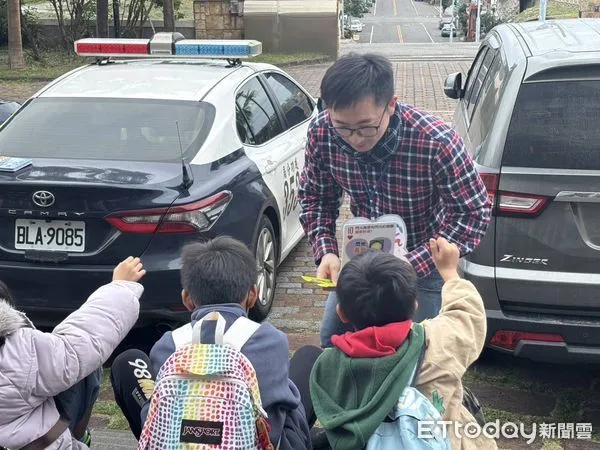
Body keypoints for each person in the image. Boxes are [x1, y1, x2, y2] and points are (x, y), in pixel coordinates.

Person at [298, 53, 492, 347]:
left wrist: (413, 264)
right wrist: (326, 251)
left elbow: (473, 213)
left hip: (421, 266)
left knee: (418, 351)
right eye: (343, 127)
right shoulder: (323, 133)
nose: (355, 139)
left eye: (366, 126)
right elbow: (316, 198)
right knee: (332, 339)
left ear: (391, 104)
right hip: (361, 262)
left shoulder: (435, 141)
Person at [110, 236, 321, 449]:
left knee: (128, 362)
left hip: (178, 440)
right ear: (252, 295)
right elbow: (282, 412)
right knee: (309, 359)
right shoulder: (271, 341)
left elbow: (154, 412)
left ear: (187, 298)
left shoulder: (168, 345)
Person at [309, 237, 497, 449]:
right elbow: (467, 314)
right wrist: (450, 273)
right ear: (415, 306)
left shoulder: (326, 367)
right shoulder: (438, 343)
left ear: (341, 313)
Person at [0, 257, 146, 449]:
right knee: (85, 364)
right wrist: (120, 287)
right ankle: (77, 434)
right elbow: (81, 343)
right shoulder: (15, 348)